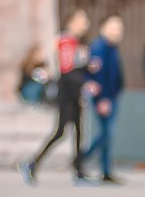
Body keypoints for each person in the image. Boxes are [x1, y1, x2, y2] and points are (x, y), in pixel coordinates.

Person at [19, 44, 102, 187]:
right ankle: (33, 163)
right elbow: (67, 73)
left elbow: (75, 70)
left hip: (74, 98)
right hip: (67, 99)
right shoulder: (66, 44)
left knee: (78, 134)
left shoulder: (76, 45)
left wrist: (88, 67)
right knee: (60, 133)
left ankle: (78, 171)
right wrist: (85, 82)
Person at [76, 16, 127, 185]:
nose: (117, 32)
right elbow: (97, 77)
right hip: (104, 98)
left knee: (108, 136)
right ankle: (82, 158)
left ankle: (106, 171)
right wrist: (102, 99)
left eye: (119, 29)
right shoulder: (99, 48)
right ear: (103, 28)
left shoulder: (112, 48)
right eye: (113, 28)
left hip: (112, 97)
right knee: (106, 134)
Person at [55, 10, 90, 78]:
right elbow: (66, 70)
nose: (84, 26)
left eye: (85, 22)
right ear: (70, 22)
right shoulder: (65, 41)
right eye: (80, 22)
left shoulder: (76, 41)